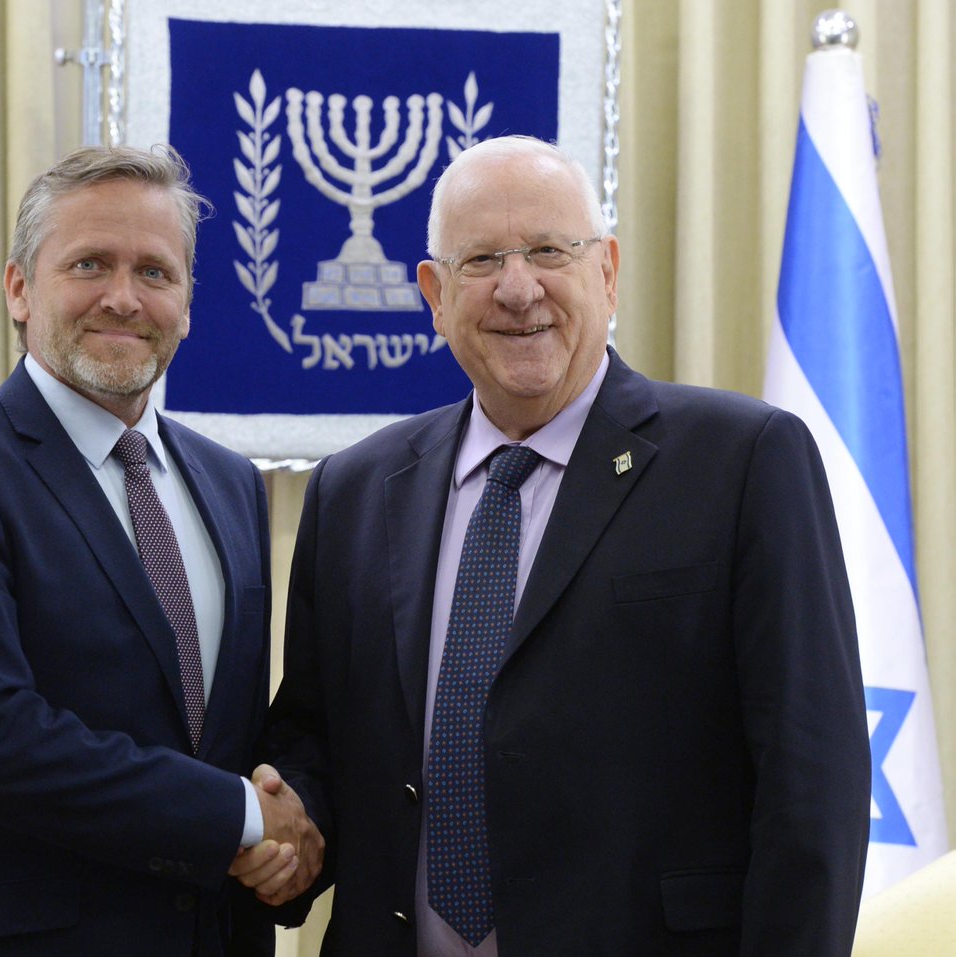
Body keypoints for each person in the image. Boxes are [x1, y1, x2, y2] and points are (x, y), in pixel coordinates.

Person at [250, 136, 870, 955]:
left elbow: (811, 783)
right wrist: (290, 827)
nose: (518, 288)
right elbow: (319, 741)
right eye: (481, 260)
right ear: (435, 293)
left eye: (549, 251)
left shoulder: (742, 462)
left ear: (606, 272)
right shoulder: (354, 492)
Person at [0, 145, 320, 957]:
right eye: (89, 264)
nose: (123, 297)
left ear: (187, 303)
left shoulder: (231, 483)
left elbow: (235, 734)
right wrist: (244, 816)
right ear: (19, 287)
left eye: (155, 272)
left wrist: (294, 829)